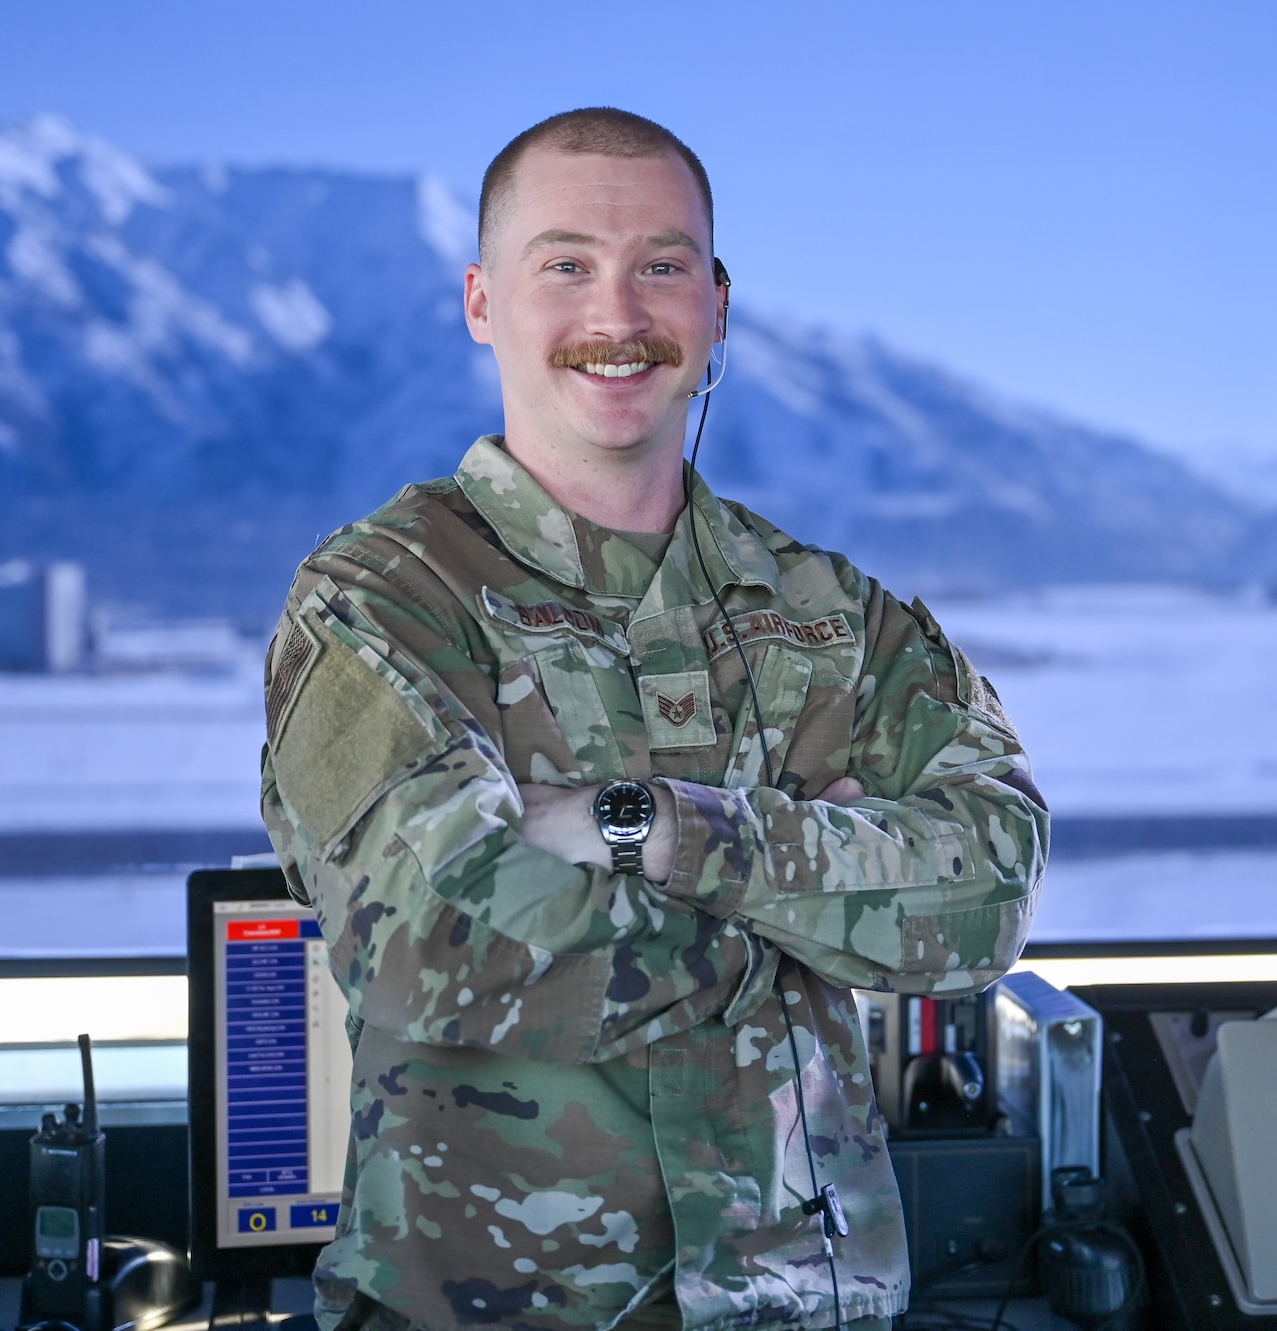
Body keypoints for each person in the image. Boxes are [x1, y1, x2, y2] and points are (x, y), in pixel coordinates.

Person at [260, 107, 1048, 1331]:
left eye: (660, 268)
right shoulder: (381, 600)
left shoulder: (833, 614)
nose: (616, 318)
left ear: (716, 305)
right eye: (565, 264)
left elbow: (989, 891)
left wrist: (666, 832)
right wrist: (804, 925)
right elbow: (439, 939)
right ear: (481, 302)